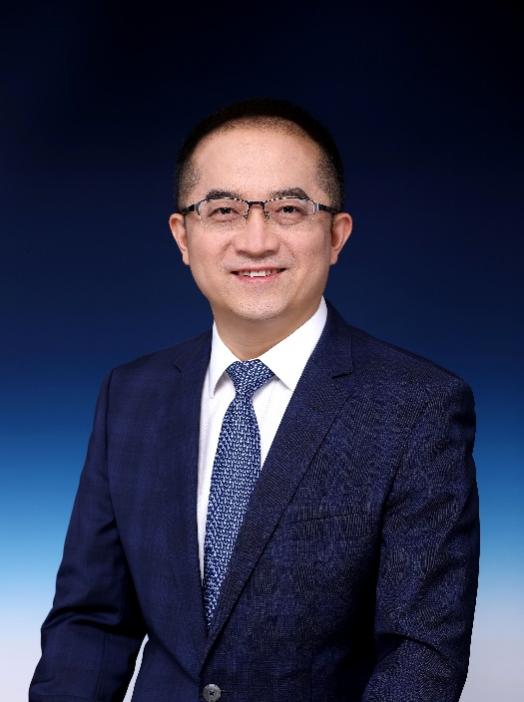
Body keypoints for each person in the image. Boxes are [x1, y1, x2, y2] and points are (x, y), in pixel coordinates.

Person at [29, 97, 480, 702]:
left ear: (336, 235)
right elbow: (91, 623)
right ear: (183, 236)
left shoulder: (418, 406)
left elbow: (420, 653)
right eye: (224, 211)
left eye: (289, 209)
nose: (257, 240)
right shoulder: (131, 395)